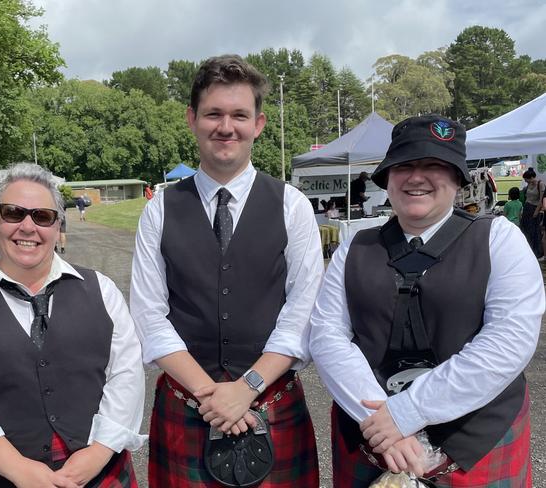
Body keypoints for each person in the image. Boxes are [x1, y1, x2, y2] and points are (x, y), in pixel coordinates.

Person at [309, 115, 544, 487]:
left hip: (477, 445)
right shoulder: (356, 247)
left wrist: (407, 412)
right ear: (387, 178)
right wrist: (385, 422)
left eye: (434, 165)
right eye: (403, 166)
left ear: (457, 178)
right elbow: (326, 335)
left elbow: (509, 341)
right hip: (374, 438)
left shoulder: (500, 239)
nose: (416, 177)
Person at [130, 54, 324, 487]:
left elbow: (303, 312)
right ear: (191, 119)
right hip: (187, 403)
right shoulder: (159, 210)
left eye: (239, 115)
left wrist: (246, 388)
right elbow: (149, 316)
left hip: (271, 401)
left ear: (258, 124)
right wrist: (211, 395)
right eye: (213, 113)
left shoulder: (292, 205)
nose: (226, 126)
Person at [0, 163, 146, 488]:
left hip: (101, 472)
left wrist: (99, 451)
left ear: (57, 227)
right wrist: (18, 469)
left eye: (42, 216)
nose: (28, 227)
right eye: (14, 213)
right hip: (4, 477)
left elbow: (126, 374)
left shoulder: (103, 290)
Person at [519, 167, 543, 258]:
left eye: (527, 179)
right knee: (525, 230)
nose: (526, 181)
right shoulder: (528, 185)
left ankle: (536, 251)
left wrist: (536, 211)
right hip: (527, 208)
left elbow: (541, 199)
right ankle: (527, 250)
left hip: (534, 208)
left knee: (534, 231)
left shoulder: (540, 184)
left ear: (532, 177)